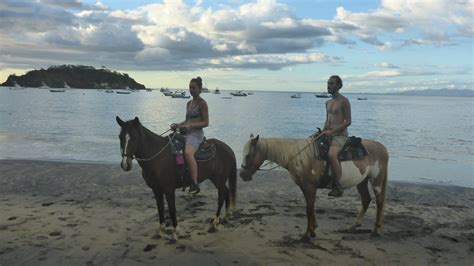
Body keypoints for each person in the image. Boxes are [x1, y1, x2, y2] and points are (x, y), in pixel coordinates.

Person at [170, 77, 209, 194]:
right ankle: (181, 173)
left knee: (188, 153)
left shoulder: (203, 104)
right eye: (190, 87)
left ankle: (194, 182)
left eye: (194, 88)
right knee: (172, 145)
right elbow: (187, 120)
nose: (191, 90)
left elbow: (206, 122)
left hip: (196, 134)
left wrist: (190, 126)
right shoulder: (189, 103)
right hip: (186, 132)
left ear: (200, 89)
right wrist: (177, 124)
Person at [321, 75, 351, 197]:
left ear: (339, 86)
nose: (329, 86)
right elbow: (327, 120)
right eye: (328, 83)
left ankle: (338, 186)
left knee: (331, 154)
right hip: (328, 133)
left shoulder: (344, 101)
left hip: (340, 136)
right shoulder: (328, 102)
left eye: (332, 83)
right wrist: (322, 132)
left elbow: (348, 121)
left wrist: (332, 132)